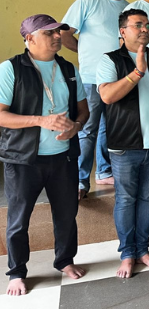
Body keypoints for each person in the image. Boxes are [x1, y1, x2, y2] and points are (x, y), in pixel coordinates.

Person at [1, 15, 89, 296]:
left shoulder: (68, 67)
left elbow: (83, 109)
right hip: (24, 159)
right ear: (29, 39)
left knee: (66, 214)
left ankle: (64, 260)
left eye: (58, 32)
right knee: (19, 218)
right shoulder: (10, 68)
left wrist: (76, 126)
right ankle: (17, 271)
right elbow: (1, 115)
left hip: (63, 156)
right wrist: (40, 121)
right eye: (48, 33)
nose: (56, 37)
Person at [97, 9, 149, 277]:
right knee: (125, 199)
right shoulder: (110, 60)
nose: (145, 29)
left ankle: (142, 249)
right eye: (138, 25)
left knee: (146, 198)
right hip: (125, 145)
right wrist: (137, 72)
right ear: (122, 31)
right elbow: (108, 96)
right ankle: (127, 253)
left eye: (147, 25)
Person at [61, 0, 129, 200]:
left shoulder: (128, 8)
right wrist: (84, 52)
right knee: (87, 129)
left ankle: (104, 170)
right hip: (91, 78)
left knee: (109, 128)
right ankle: (80, 181)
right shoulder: (88, 1)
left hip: (118, 81)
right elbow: (64, 33)